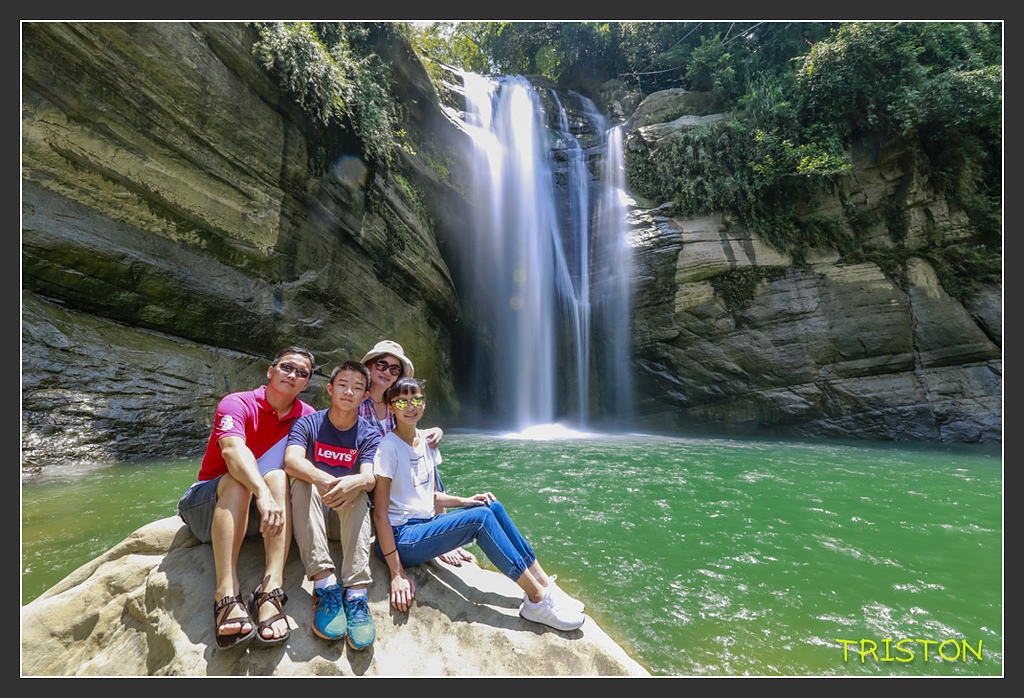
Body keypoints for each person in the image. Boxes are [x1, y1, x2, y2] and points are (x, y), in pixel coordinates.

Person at [372, 377, 586, 632]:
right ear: (391, 407)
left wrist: (466, 500)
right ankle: (536, 600)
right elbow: (380, 514)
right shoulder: (388, 447)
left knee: (490, 506)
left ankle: (543, 583)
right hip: (401, 538)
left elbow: (426, 496)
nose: (410, 407)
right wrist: (396, 573)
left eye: (416, 400)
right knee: (480, 520)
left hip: (424, 525)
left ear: (424, 404)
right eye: (402, 402)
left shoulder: (426, 441)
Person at [177, 346, 316, 650]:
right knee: (238, 481)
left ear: (306, 384)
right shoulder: (237, 403)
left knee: (278, 477)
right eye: (286, 367)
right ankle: (226, 593)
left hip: (261, 516)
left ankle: (270, 591)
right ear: (271, 371)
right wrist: (261, 493)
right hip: (210, 504)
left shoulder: (308, 417)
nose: (292, 375)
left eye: (301, 373)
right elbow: (232, 451)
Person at [284, 360, 379, 650]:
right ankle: (324, 585)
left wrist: (356, 482)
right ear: (330, 389)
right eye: (343, 385)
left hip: (344, 516)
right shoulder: (308, 423)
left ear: (365, 396)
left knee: (359, 491)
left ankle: (357, 593)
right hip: (311, 515)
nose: (349, 392)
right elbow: (291, 461)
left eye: (357, 388)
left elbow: (370, 477)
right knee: (302, 482)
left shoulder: (369, 434)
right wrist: (325, 480)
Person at [358, 340, 475, 567]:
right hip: (372, 477)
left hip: (396, 475)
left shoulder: (398, 404)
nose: (387, 372)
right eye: (382, 365)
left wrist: (435, 430)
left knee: (426, 448)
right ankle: (440, 534)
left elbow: (408, 436)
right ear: (369, 366)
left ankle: (440, 527)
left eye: (394, 369)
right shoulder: (357, 401)